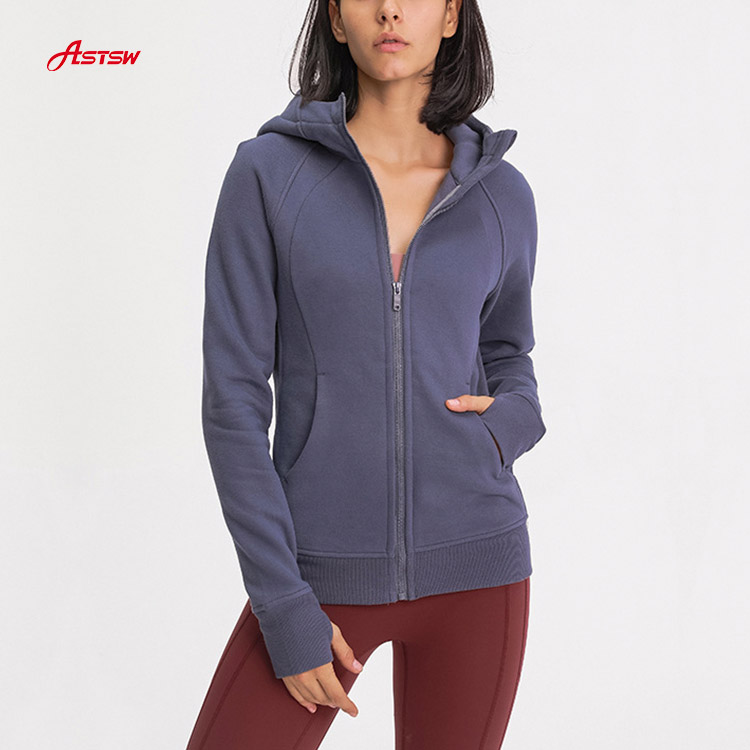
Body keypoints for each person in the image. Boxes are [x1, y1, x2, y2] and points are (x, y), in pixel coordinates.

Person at [186, 1, 546, 747]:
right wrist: (283, 605)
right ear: (335, 17)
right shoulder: (269, 175)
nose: (389, 9)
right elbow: (233, 402)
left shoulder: (501, 194)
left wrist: (510, 422)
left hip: (480, 570)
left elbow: (509, 350)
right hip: (317, 579)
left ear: (451, 16)